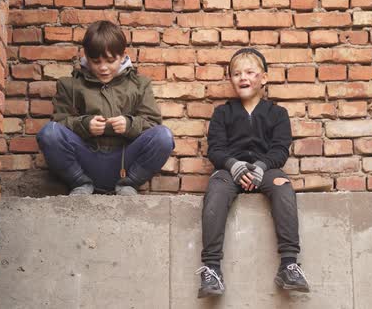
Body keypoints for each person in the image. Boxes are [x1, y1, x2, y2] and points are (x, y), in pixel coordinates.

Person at [196, 48, 310, 298]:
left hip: (266, 170)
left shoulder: (277, 114)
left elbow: (280, 150)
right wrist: (233, 165)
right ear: (231, 80)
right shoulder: (222, 113)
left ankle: (289, 264)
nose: (242, 77)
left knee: (283, 185)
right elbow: (215, 149)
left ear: (264, 78)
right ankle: (211, 268)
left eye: (249, 72)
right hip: (228, 171)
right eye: (236, 73)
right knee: (215, 190)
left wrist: (260, 167)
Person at [37, 20, 174, 196]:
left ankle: (128, 184)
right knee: (49, 133)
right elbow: (60, 122)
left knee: (163, 136)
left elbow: (153, 124)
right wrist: (85, 125)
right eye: (96, 61)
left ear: (123, 56)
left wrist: (129, 125)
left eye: (110, 61)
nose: (103, 68)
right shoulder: (69, 85)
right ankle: (80, 183)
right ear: (86, 55)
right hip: (85, 159)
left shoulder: (140, 84)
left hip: (124, 162)